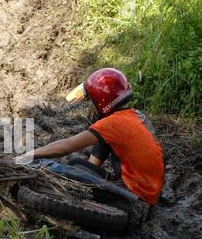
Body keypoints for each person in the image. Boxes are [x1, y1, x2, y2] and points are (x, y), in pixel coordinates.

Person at [16, 68, 164, 205]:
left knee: (75, 164)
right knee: (103, 140)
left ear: (102, 100)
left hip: (136, 195)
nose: (91, 106)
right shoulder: (135, 116)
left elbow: (66, 147)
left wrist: (29, 155)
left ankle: (87, 185)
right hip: (151, 191)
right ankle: (90, 173)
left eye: (92, 101)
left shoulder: (112, 123)